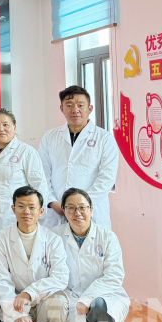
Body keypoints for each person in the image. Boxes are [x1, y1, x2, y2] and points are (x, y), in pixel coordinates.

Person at [0, 186, 69, 322]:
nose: (26, 211)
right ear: (13, 209)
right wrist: (18, 314)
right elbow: (1, 280)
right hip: (15, 302)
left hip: (43, 300)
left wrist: (30, 293)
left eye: (32, 207)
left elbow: (60, 277)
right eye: (21, 206)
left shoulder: (53, 240)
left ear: (41, 212)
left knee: (59, 299)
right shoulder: (1, 238)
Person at [54, 188, 129, 322]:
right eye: (71, 208)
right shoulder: (54, 237)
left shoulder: (107, 237)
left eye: (82, 207)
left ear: (91, 210)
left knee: (100, 307)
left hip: (105, 294)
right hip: (71, 296)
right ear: (64, 211)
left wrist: (87, 298)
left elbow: (114, 275)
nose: (77, 213)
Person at [38, 85, 119, 229]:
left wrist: (81, 205)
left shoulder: (104, 138)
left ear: (90, 108)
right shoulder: (50, 137)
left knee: (91, 243)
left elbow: (107, 177)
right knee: (56, 243)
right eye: (69, 105)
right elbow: (42, 174)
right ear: (62, 109)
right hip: (57, 211)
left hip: (92, 211)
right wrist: (52, 202)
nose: (75, 110)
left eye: (80, 105)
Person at [0, 109, 50, 232]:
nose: (1, 129)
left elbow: (39, 187)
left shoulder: (27, 152)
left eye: (6, 125)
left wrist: (36, 220)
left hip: (14, 217)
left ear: (14, 128)